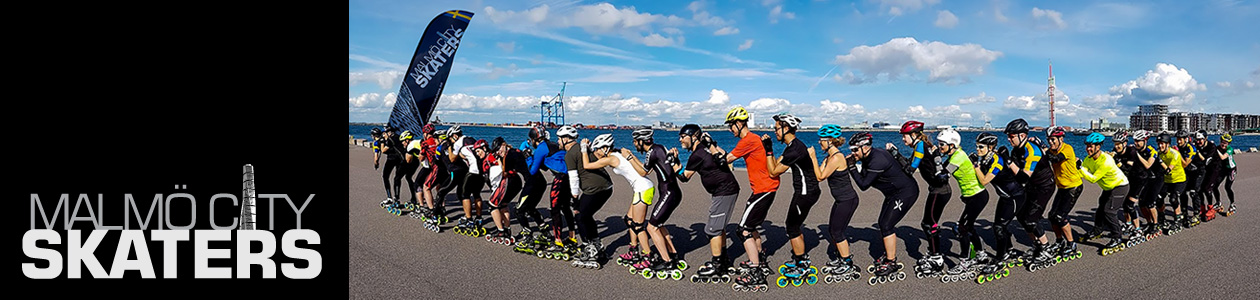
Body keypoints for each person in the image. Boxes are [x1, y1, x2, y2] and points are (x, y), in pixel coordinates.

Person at [847, 132, 918, 285]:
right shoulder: (868, 157)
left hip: (905, 193)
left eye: (855, 150)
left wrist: (851, 167)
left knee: (887, 225)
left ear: (865, 147)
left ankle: (891, 262)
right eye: (851, 150)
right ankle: (888, 256)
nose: (852, 153)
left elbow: (864, 185)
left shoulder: (877, 160)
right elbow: (865, 177)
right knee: (882, 223)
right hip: (893, 193)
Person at [724, 107, 780, 293]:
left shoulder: (748, 140)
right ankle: (759, 259)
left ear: (739, 124)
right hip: (763, 188)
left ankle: (756, 270)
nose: (730, 129)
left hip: (764, 189)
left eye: (731, 126)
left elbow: (726, 160)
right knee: (752, 226)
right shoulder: (753, 139)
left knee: (743, 230)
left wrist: (709, 147)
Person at [761, 113, 822, 287]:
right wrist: (769, 148)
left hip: (806, 192)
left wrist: (768, 150)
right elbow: (773, 166)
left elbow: (773, 172)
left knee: (791, 226)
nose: (775, 132)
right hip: (805, 191)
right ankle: (799, 259)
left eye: (776, 129)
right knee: (794, 225)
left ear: (786, 128)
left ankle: (801, 264)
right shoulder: (791, 146)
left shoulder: (795, 149)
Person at [885, 120, 950, 278]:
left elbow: (909, 169)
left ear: (914, 135)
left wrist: (895, 153)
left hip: (939, 191)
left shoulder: (920, 146)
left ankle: (936, 259)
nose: (903, 139)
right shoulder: (920, 146)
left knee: (929, 225)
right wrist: (896, 155)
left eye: (905, 136)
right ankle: (934, 254)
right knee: (928, 223)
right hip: (938, 190)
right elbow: (910, 164)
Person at [677, 124, 741, 284]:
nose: (680, 139)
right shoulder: (706, 148)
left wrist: (674, 164)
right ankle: (723, 259)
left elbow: (684, 177)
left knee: (712, 230)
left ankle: (717, 264)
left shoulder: (696, 155)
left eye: (683, 136)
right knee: (719, 227)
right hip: (727, 189)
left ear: (693, 137)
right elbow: (724, 156)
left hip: (724, 191)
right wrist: (712, 142)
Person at [934, 129, 993, 283]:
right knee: (969, 227)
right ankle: (980, 254)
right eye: (939, 144)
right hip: (972, 196)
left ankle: (964, 263)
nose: (939, 146)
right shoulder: (954, 155)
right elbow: (940, 169)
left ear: (952, 145)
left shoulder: (958, 157)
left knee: (962, 228)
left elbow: (942, 176)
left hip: (977, 196)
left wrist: (935, 159)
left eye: (942, 144)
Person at [808, 125, 862, 284]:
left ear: (830, 141)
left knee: (837, 232)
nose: (819, 142)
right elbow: (818, 171)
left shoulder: (837, 158)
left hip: (848, 200)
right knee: (833, 230)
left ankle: (847, 263)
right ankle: (841, 258)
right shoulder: (829, 158)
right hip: (841, 200)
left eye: (821, 140)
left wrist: (812, 157)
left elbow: (820, 176)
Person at [1002, 119, 1057, 271]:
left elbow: (1023, 177)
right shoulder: (1016, 150)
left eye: (1011, 136)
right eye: (1008, 136)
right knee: (1021, 217)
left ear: (1022, 135)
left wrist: (1008, 161)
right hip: (1032, 186)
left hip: (1045, 186)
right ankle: (1037, 245)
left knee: (1031, 219)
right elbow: (1013, 173)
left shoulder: (1033, 150)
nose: (1008, 139)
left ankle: (1046, 249)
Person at [633, 128, 689, 276]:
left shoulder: (652, 151)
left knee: (651, 228)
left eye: (635, 141)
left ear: (641, 141)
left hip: (669, 193)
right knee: (658, 224)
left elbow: (644, 172)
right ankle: (673, 254)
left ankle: (667, 262)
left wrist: (629, 157)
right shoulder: (660, 147)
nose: (634, 144)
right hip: (673, 192)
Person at [971, 132, 1017, 284]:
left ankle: (1000, 257)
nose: (978, 149)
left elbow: (984, 180)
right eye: (977, 146)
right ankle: (1009, 250)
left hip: (1014, 196)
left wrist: (975, 165)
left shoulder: (996, 161)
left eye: (981, 147)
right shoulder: (987, 158)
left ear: (990, 147)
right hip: (1005, 197)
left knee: (999, 228)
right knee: (999, 226)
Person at [1077, 132, 1133, 256]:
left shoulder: (1106, 160)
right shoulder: (1089, 158)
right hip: (1108, 188)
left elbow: (1092, 179)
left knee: (1110, 212)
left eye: (1091, 146)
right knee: (1101, 209)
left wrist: (1080, 168)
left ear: (1098, 147)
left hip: (1120, 186)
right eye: (1087, 146)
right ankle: (1097, 230)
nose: (1088, 149)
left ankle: (1117, 237)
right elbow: (1082, 171)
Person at [569, 133, 616, 269]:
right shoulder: (592, 153)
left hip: (597, 190)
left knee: (580, 216)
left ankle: (588, 247)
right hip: (604, 189)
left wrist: (574, 198)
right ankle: (595, 243)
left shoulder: (597, 155)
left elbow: (582, 169)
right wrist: (585, 147)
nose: (610, 150)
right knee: (586, 215)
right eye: (609, 148)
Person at [1044, 126, 1084, 260]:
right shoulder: (1050, 150)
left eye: (1053, 139)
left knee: (1061, 217)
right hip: (1062, 187)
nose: (1051, 142)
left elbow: (1055, 159)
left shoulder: (1067, 149)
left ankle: (1071, 244)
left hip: (1074, 187)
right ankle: (1059, 241)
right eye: (1049, 140)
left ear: (1061, 139)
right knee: (1052, 216)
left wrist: (1043, 149)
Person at [1108, 130, 1155, 237]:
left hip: (1140, 179)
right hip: (1128, 179)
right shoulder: (1116, 149)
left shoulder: (1132, 151)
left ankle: (1138, 229)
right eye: (1115, 144)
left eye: (1118, 144)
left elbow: (1127, 169)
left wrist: (1116, 160)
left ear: (1124, 143)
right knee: (1124, 204)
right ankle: (1129, 224)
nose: (1116, 146)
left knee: (1130, 205)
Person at [484, 137, 526, 245]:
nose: (498, 152)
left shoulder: (508, 155)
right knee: (503, 204)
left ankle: (500, 231)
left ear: (504, 144)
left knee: (492, 205)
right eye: (496, 150)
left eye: (499, 149)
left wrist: (499, 163)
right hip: (516, 181)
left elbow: (504, 172)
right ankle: (507, 229)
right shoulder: (513, 152)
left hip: (509, 182)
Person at [512, 126, 551, 242]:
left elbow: (532, 171)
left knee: (519, 210)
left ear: (534, 139)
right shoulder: (539, 150)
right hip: (541, 183)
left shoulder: (537, 150)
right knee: (530, 208)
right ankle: (545, 232)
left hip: (532, 185)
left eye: (531, 139)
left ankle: (527, 236)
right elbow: (544, 167)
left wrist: (528, 157)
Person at [1157, 132, 1188, 235]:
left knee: (1173, 199)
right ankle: (1162, 219)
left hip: (1179, 180)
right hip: (1167, 181)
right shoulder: (1159, 153)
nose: (1160, 145)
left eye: (1162, 143)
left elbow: (1169, 169)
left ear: (1168, 144)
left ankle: (1178, 219)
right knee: (1159, 198)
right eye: (1159, 143)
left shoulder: (1175, 153)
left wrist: (1160, 162)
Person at [1174, 130, 1199, 228]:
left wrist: (1177, 152)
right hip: (1184, 174)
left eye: (1180, 139)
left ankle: (1196, 214)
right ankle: (1184, 214)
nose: (1178, 142)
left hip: (1195, 172)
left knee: (1193, 193)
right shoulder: (1178, 147)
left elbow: (1184, 163)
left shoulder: (1191, 148)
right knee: (1182, 193)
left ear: (1186, 139)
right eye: (1177, 139)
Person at [1195, 130, 1221, 221]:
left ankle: (1211, 208)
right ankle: (1202, 207)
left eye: (1200, 140)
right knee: (1199, 189)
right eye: (1197, 140)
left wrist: (1197, 152)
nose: (1198, 142)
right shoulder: (1196, 145)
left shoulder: (1211, 146)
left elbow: (1206, 161)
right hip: (1204, 170)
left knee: (1207, 189)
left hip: (1214, 169)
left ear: (1205, 139)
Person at [1216, 133, 1237, 216]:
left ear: (1228, 144)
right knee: (1215, 185)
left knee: (1227, 187)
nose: (1223, 144)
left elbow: (1222, 157)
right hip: (1223, 169)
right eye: (1222, 142)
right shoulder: (1218, 148)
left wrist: (1216, 150)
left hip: (1231, 169)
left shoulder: (1230, 149)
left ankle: (1232, 204)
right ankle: (1218, 203)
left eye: (1225, 143)